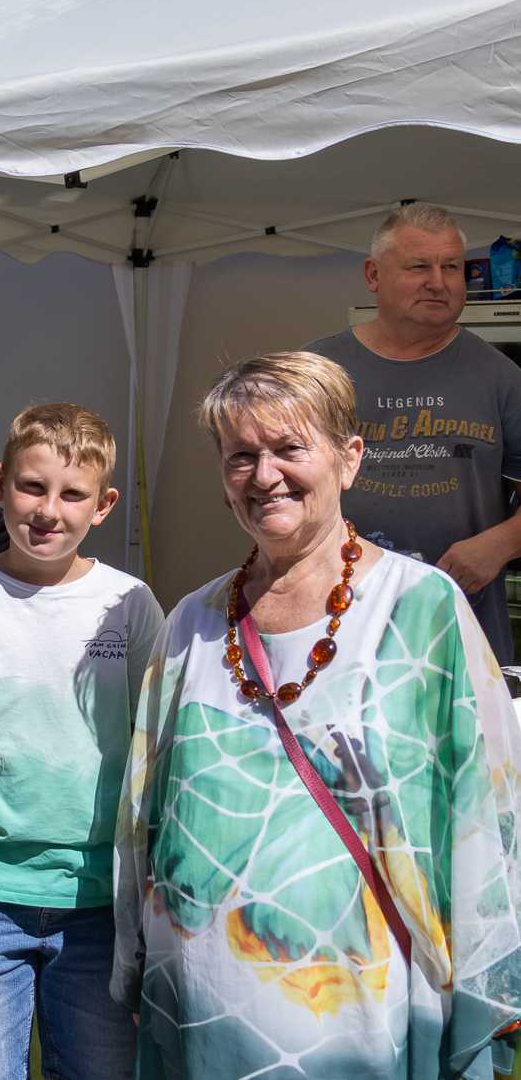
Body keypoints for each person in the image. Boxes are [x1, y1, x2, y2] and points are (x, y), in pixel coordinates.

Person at [112, 351, 521, 1079]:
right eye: (241, 455)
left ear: (349, 458)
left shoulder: (421, 609)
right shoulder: (191, 621)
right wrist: (140, 961)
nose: (264, 474)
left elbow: (486, 812)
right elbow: (145, 813)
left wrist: (489, 988)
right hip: (203, 1010)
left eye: (289, 448)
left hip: (365, 1018)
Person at [0, 402, 162, 1079]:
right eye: (32, 486)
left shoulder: (129, 604)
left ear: (103, 505)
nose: (49, 509)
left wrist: (155, 902)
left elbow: (155, 758)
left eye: (73, 494)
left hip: (99, 903)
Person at [304, 202, 521, 663]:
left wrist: (502, 544)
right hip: (335, 625)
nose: (438, 282)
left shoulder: (502, 377)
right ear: (373, 274)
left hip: (462, 633)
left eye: (452, 267)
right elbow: (269, 484)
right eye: (419, 266)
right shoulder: (316, 372)